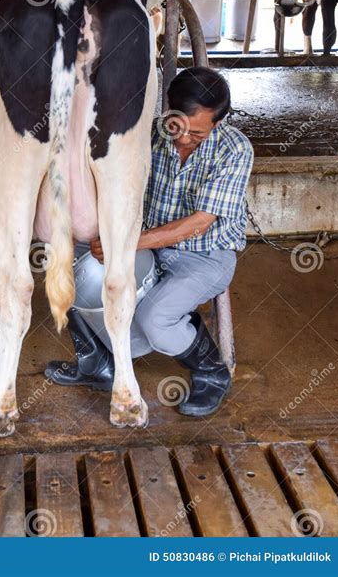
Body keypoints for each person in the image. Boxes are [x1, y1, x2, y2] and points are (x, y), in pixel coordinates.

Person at [45, 67, 254, 416]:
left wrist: (126, 244)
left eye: (198, 135)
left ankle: (211, 371)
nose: (183, 140)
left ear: (219, 122)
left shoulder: (234, 150)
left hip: (204, 256)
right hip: (150, 248)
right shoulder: (151, 134)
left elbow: (200, 223)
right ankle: (96, 362)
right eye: (178, 127)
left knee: (154, 319)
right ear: (167, 108)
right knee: (67, 262)